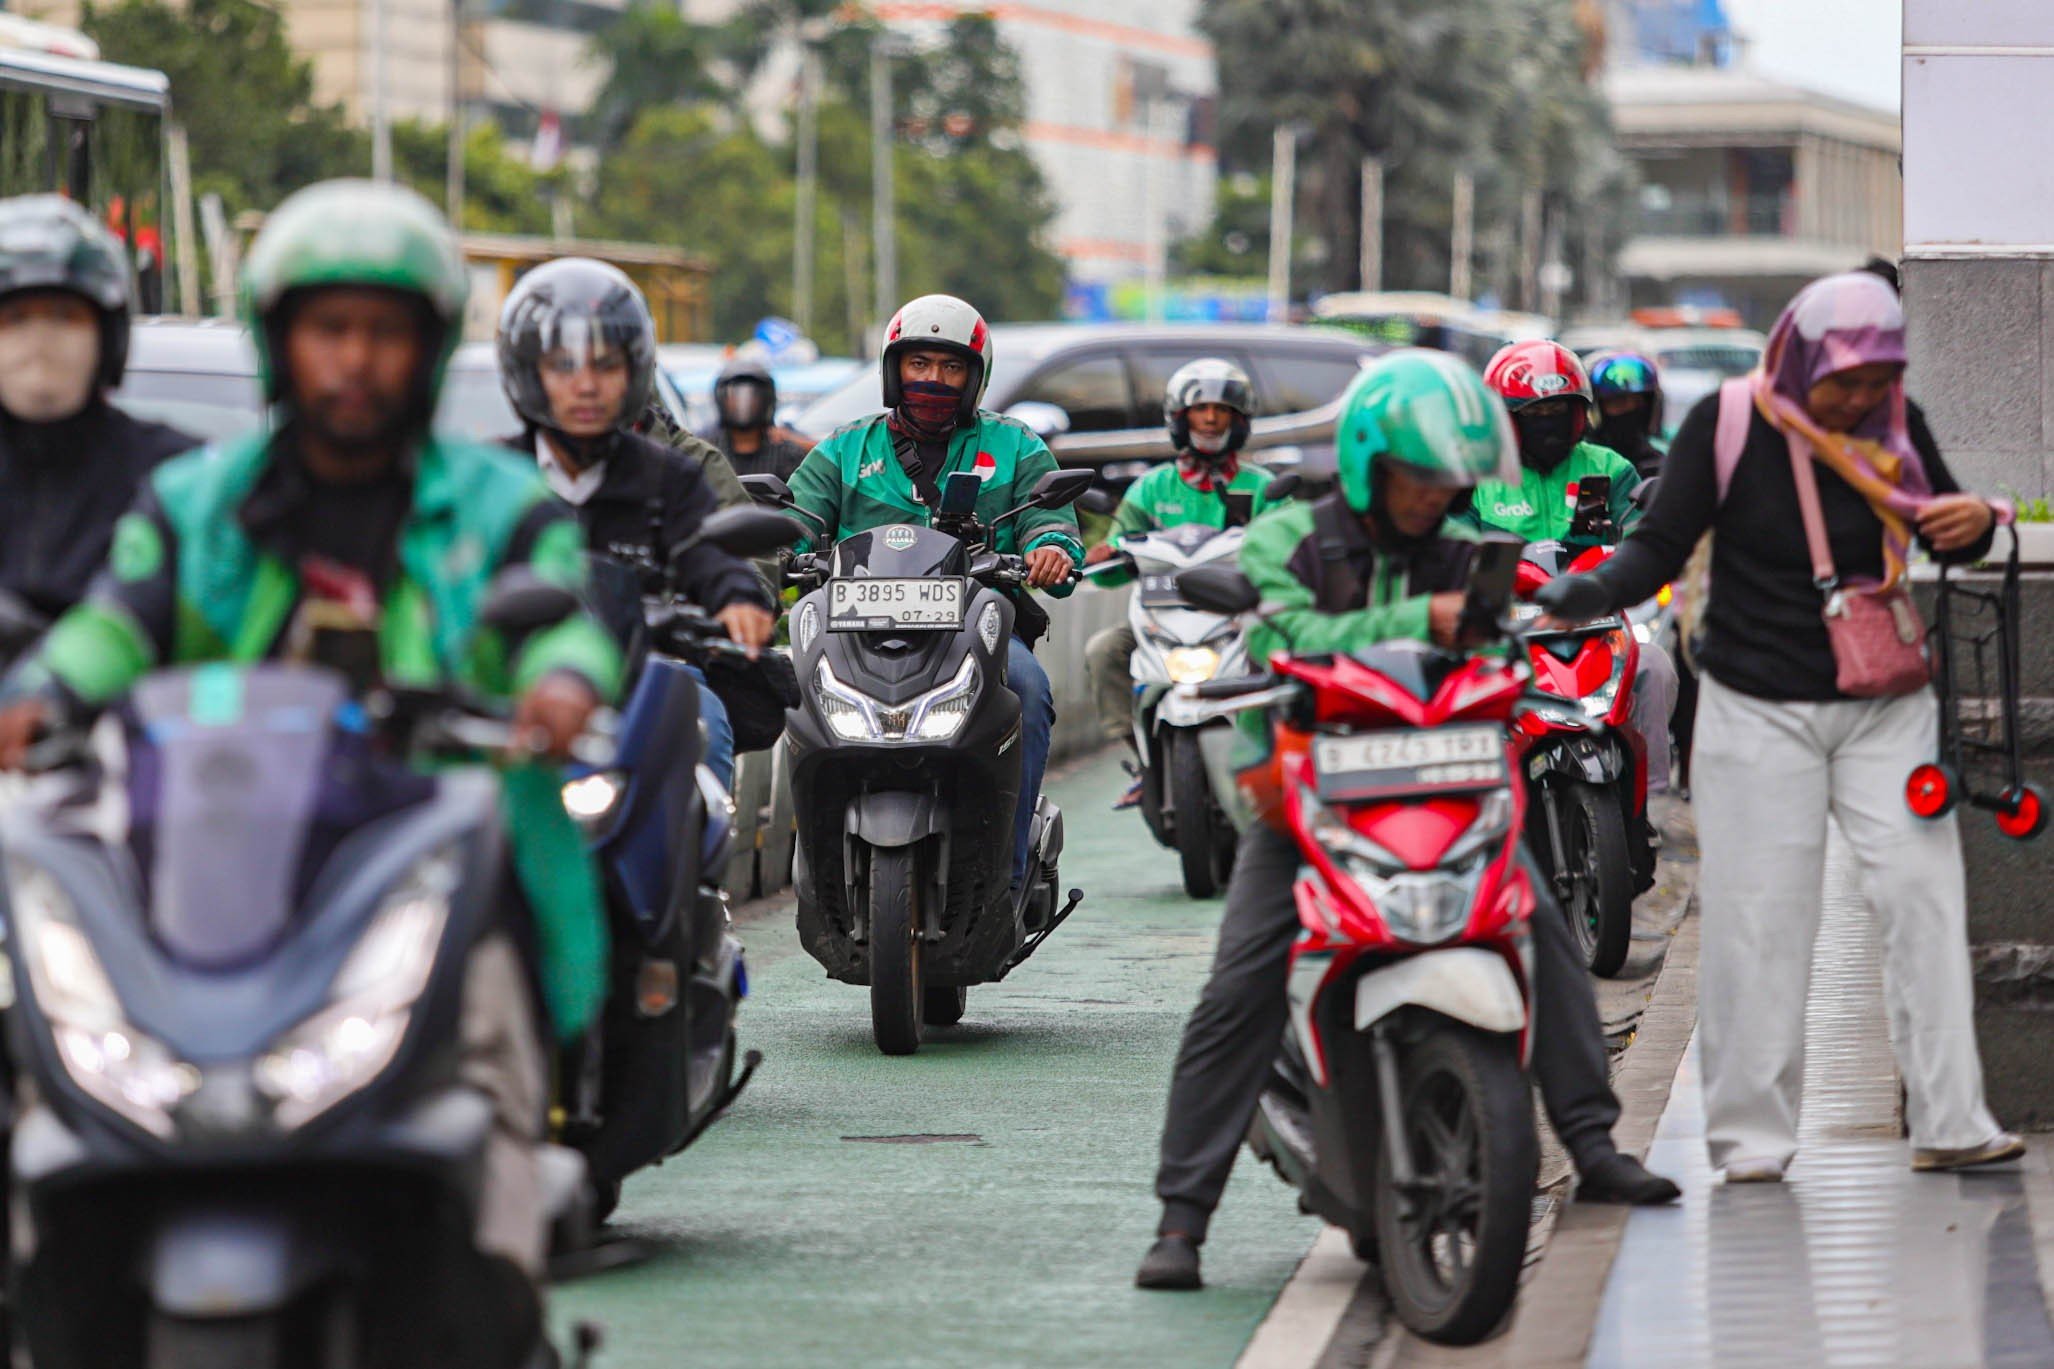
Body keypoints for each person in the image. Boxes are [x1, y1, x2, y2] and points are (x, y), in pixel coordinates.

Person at [0, 180, 625, 1343]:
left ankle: (493, 1273)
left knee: (488, 1060)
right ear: (280, 342)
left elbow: (566, 619)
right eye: (328, 330)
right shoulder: (197, 501)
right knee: (54, 1057)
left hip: (426, 860)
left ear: (427, 350)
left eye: (383, 334)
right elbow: (113, 622)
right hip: (208, 866)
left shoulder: (499, 503)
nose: (354, 361)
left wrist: (559, 684)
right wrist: (36, 700)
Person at [1136, 351, 1679, 1293]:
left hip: (1449, 785)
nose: (1435, 495)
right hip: (1310, 793)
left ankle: (1592, 1144)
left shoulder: (1471, 548)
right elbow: (1276, 633)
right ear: (1368, 463)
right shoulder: (1289, 542)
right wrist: (1420, 620)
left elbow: (1513, 636)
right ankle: (1183, 1218)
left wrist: (1538, 628)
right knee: (1242, 983)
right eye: (1418, 475)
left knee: (1543, 930)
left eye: (1449, 479)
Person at [1534, 271, 2021, 1183]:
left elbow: (1949, 529)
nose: (1860, 399)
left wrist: (1970, 526)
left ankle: (1953, 1118)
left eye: (1877, 380)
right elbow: (1659, 545)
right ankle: (1752, 1138)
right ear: (1796, 359)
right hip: (1757, 707)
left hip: (1885, 703)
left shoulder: (1896, 422)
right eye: (1844, 381)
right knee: (1761, 917)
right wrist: (1590, 590)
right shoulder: (1726, 423)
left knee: (1922, 896)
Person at [786, 293, 1082, 891]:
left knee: (1027, 689)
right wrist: (775, 549)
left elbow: (1054, 524)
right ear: (894, 370)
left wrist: (1050, 548)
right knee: (789, 691)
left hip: (976, 635)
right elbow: (793, 519)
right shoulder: (844, 450)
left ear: (975, 377)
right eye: (919, 364)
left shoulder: (1016, 446)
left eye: (950, 368)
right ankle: (815, 866)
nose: (934, 380)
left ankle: (1008, 871)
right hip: (853, 638)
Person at [496, 257, 776, 789]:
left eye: (605, 366)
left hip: (653, 671)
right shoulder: (498, 477)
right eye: (563, 366)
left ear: (635, 371)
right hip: (518, 680)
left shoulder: (672, 475)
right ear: (527, 371)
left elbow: (707, 548)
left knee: (706, 731)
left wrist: (737, 594)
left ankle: (698, 872)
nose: (586, 386)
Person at [1468, 339, 1680, 799]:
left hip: (1595, 623)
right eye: (1534, 414)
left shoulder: (1608, 468)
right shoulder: (1473, 475)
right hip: (1506, 631)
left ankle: (1649, 800)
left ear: (1581, 414)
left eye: (1561, 411)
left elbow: (1645, 525)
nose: (1550, 424)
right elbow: (1448, 541)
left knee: (1657, 669)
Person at [1083, 358, 1281, 809]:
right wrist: (1105, 554)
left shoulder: (1264, 488)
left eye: (1221, 410)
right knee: (1103, 652)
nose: (1210, 419)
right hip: (1162, 621)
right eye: (1200, 409)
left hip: (1241, 620)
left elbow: (1287, 551)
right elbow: (1116, 556)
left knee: (1286, 657)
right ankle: (1140, 760)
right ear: (1179, 418)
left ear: (1239, 420)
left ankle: (1280, 754)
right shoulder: (1151, 489)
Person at [0, 195, 196, 628]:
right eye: (14, 319)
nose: (40, 341)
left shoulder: (178, 477)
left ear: (110, 337)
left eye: (65, 316)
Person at [710, 355, 810, 481]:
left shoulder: (787, 453)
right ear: (722, 398)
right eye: (735, 395)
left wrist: (791, 439)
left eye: (753, 395)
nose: (744, 403)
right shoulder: (707, 452)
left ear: (766, 399)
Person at [1588, 349, 1667, 478]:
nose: (1630, 409)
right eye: (1619, 402)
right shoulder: (1583, 463)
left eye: (1638, 402)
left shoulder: (1660, 461)